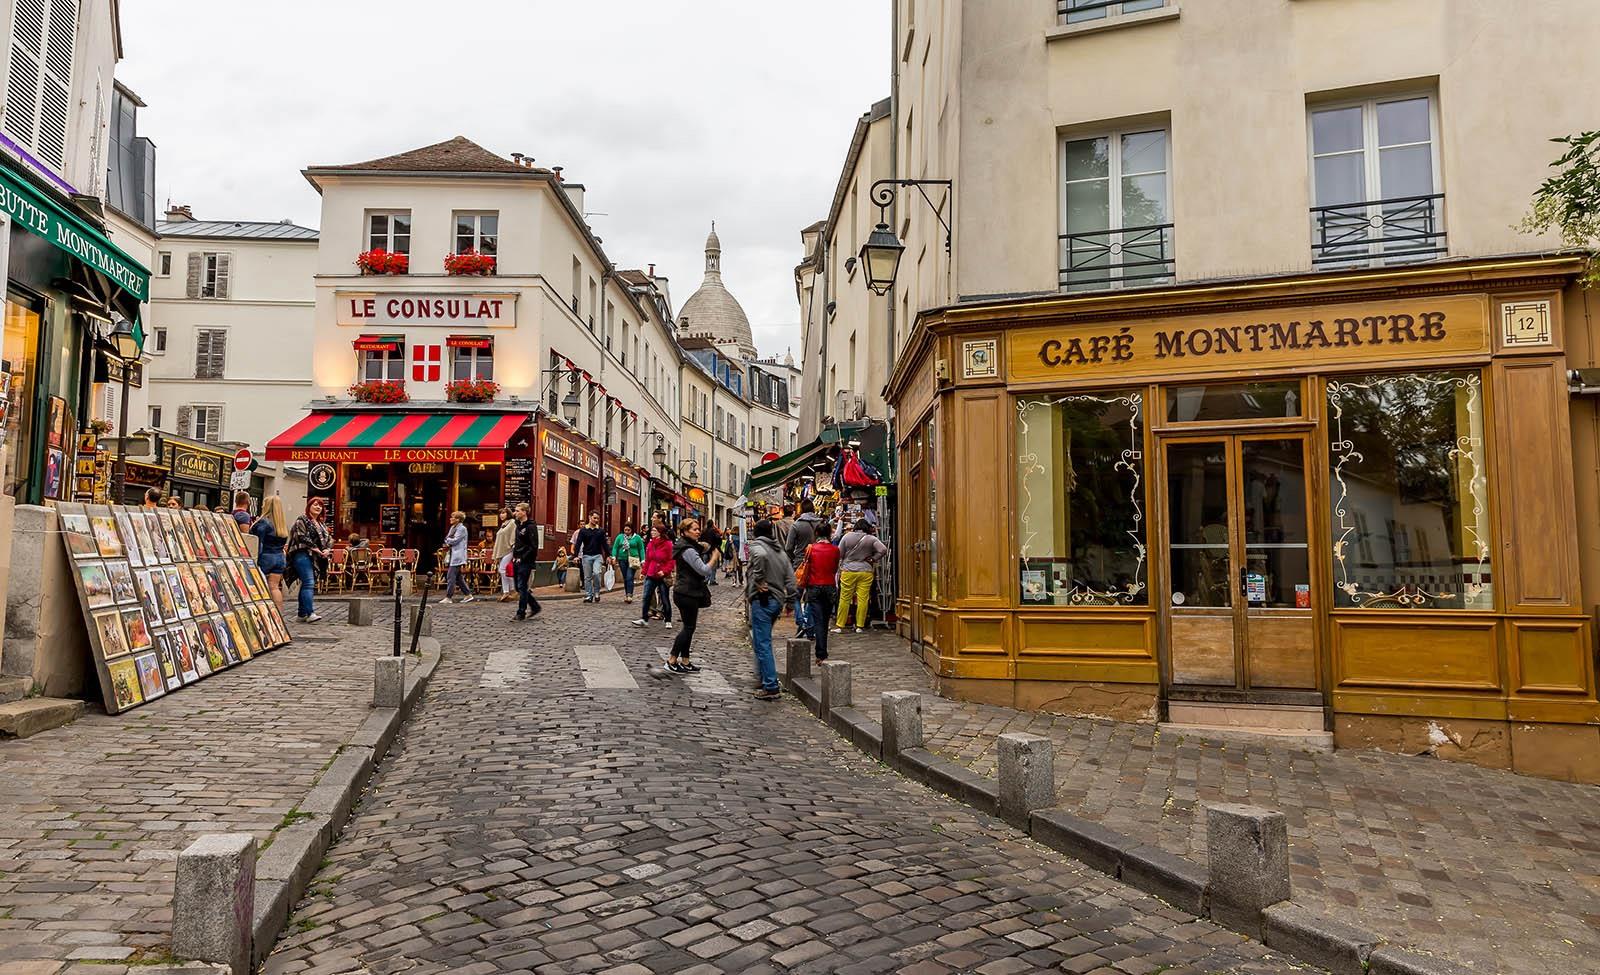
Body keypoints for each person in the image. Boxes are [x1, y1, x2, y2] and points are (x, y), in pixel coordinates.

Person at [746, 519, 797, 701]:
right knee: (762, 641)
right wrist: (791, 601)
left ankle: (770, 685)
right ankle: (762, 678)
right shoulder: (780, 552)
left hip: (763, 601)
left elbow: (759, 556)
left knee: (763, 644)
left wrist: (758, 580)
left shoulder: (757, 546)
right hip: (777, 601)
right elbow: (791, 580)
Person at [668, 519, 718, 674]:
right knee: (688, 628)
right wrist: (714, 558)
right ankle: (671, 659)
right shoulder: (688, 550)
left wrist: (706, 546)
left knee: (689, 627)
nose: (698, 532)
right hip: (687, 593)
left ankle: (685, 660)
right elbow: (703, 570)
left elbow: (703, 547)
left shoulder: (687, 545)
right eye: (694, 529)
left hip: (686, 591)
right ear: (684, 532)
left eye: (698, 529)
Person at [833, 518, 888, 634]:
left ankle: (840, 625)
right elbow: (883, 549)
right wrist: (873, 558)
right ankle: (860, 626)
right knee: (863, 599)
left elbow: (839, 553)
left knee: (845, 598)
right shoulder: (871, 538)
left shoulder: (847, 537)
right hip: (865, 571)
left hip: (848, 571)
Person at [285, 498, 332, 623]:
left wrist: (327, 549)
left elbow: (329, 539)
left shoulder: (321, 524)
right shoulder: (302, 519)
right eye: (315, 505)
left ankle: (301, 614)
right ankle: (310, 613)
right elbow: (301, 536)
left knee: (306, 583)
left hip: (315, 557)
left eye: (320, 506)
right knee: (309, 582)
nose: (318, 507)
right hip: (302, 554)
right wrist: (315, 548)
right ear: (309, 506)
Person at [800, 530, 841, 662]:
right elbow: (834, 568)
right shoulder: (835, 550)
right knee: (825, 619)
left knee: (818, 620)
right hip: (829, 586)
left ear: (816, 533)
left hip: (814, 586)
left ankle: (821, 653)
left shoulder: (811, 548)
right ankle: (822, 651)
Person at [787, 498, 823, 636]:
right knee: (811, 597)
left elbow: (788, 547)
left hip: (800, 563)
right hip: (817, 563)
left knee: (796, 595)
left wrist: (793, 558)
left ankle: (801, 622)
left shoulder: (796, 525)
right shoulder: (821, 523)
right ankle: (809, 627)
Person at [251, 496, 290, 615]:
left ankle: (262, 613)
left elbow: (258, 543)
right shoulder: (281, 525)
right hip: (279, 557)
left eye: (264, 504)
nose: (262, 506)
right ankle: (278, 614)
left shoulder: (263, 523)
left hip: (266, 557)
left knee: (259, 586)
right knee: (274, 587)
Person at [631, 525, 675, 628]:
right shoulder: (651, 544)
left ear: (660, 532)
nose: (652, 532)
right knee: (646, 597)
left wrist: (665, 571)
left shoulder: (668, 544)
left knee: (664, 598)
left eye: (654, 531)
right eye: (652, 531)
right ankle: (644, 619)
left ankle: (668, 620)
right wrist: (643, 572)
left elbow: (671, 561)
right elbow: (648, 560)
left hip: (662, 575)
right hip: (651, 573)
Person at [511, 503, 542, 621]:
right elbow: (518, 543)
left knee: (522, 586)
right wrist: (515, 555)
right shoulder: (518, 525)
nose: (515, 513)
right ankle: (535, 606)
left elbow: (533, 546)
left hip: (526, 561)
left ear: (524, 512)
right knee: (518, 587)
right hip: (517, 558)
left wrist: (523, 557)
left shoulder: (530, 527)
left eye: (518, 511)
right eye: (515, 510)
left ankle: (521, 612)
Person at [572, 512, 609, 603]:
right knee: (587, 577)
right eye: (594, 518)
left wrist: (609, 555)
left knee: (596, 573)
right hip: (586, 556)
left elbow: (604, 544)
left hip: (597, 555)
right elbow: (578, 543)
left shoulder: (600, 531)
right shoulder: (583, 530)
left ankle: (596, 592)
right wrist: (576, 556)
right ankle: (589, 595)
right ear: (589, 517)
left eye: (597, 518)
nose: (596, 520)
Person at [440, 511, 475, 604]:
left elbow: (454, 540)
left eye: (453, 517)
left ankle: (448, 597)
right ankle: (468, 594)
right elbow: (448, 538)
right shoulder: (452, 528)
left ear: (458, 519)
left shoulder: (462, 529)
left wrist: (448, 540)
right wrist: (448, 540)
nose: (450, 519)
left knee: (450, 576)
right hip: (452, 554)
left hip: (458, 555)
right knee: (458, 577)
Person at [612, 522, 644, 602]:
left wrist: (643, 559)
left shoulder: (637, 538)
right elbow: (615, 547)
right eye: (625, 530)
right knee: (626, 578)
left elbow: (641, 549)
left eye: (628, 530)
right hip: (622, 559)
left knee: (630, 576)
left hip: (633, 560)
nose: (626, 531)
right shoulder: (620, 537)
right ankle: (627, 594)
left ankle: (630, 595)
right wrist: (614, 556)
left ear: (632, 530)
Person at [492, 508, 517, 603]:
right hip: (502, 550)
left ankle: (512, 590)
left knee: (502, 570)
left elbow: (513, 536)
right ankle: (506, 592)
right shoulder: (504, 524)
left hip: (509, 549)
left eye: (503, 513)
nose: (501, 515)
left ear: (508, 514)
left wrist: (513, 547)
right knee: (503, 570)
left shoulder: (512, 523)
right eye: (500, 513)